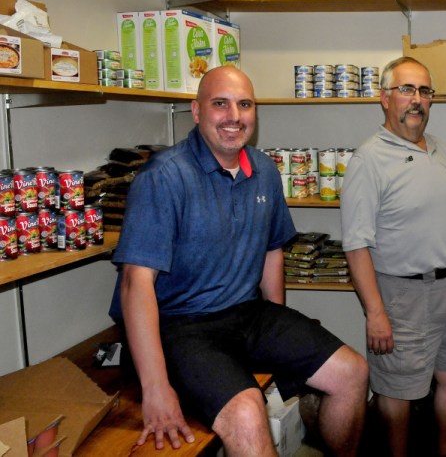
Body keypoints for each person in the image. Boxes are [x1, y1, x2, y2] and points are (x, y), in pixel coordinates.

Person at [109, 65, 368, 457]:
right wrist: (156, 387)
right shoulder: (165, 176)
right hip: (179, 325)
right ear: (197, 112)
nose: (234, 116)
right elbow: (135, 283)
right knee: (248, 414)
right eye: (220, 104)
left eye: (244, 105)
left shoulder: (263, 170)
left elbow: (271, 250)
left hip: (247, 313)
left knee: (353, 372)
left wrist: (278, 330)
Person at [340, 56, 446, 457]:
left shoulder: (441, 150)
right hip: (401, 295)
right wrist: (375, 312)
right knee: (397, 393)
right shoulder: (369, 159)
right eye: (406, 90)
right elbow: (355, 244)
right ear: (384, 98)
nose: (416, 99)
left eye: (424, 91)